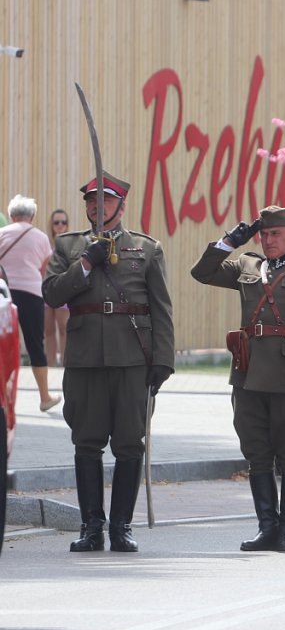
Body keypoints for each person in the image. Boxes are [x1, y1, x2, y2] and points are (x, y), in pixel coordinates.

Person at [191, 205, 285, 552]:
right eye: (263, 234)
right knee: (256, 453)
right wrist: (230, 241)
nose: (268, 240)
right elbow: (202, 272)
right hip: (247, 374)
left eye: (275, 234)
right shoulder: (248, 266)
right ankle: (266, 527)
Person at [42, 171, 175, 552]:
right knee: (86, 443)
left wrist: (163, 359)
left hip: (132, 358)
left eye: (105, 200)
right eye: (90, 201)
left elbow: (161, 308)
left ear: (122, 204)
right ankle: (90, 527)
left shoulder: (146, 248)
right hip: (85, 360)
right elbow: (51, 294)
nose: (97, 206)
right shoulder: (68, 246)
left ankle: (121, 527)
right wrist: (85, 264)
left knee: (130, 444)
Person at [2, 195, 60, 411]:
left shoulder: (1, 233)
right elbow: (44, 269)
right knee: (36, 344)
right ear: (33, 216)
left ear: (10, 215)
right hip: (31, 293)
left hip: (3, 294)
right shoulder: (41, 238)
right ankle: (45, 397)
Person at [44, 209, 71, 367]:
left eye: (63, 222)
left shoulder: (69, 244)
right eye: (56, 222)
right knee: (48, 330)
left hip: (62, 290)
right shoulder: (46, 243)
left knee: (63, 329)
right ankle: (51, 364)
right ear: (51, 225)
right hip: (47, 289)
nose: (60, 225)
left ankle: (65, 365)